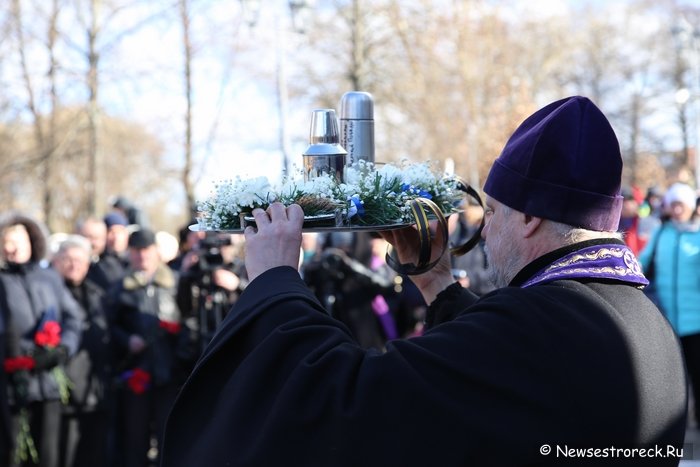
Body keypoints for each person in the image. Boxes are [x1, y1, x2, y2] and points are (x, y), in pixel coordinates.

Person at [161, 96, 687, 466]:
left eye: (495, 212)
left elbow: (348, 403)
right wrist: (437, 283)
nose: (484, 232)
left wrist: (275, 281)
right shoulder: (641, 317)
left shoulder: (537, 324)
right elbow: (507, 389)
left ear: (529, 219)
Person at [0, 213, 82, 467]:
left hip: (48, 379)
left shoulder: (49, 278)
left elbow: (73, 318)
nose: (11, 248)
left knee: (48, 454)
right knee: (13, 451)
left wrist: (63, 349)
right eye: (6, 242)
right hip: (13, 381)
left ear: (32, 242)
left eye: (18, 241)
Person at [107, 229, 194, 467]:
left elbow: (188, 320)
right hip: (136, 375)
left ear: (156, 251)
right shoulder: (120, 287)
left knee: (169, 437)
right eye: (136, 251)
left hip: (169, 373)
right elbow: (109, 325)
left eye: (146, 250)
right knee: (136, 440)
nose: (141, 256)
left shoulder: (174, 282)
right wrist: (127, 340)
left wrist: (180, 351)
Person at [638, 182, 700, 427]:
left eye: (681, 206)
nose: (676, 211)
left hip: (696, 321)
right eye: (673, 205)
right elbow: (642, 261)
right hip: (666, 319)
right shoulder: (662, 233)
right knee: (671, 377)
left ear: (691, 207)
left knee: (698, 374)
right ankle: (674, 423)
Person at [51, 236, 112, 467]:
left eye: (80, 260)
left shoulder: (98, 294)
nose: (74, 265)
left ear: (88, 264)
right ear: (57, 261)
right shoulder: (50, 294)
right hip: (65, 392)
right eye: (68, 259)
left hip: (96, 390)